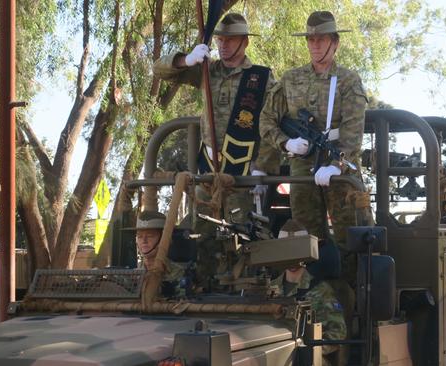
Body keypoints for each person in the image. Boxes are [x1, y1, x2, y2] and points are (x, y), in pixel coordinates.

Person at [154, 13, 278, 283]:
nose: (222, 45)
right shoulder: (206, 70)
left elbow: (273, 125)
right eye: (220, 39)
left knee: (240, 236)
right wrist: (185, 59)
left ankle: (239, 292)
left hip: (241, 172)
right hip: (207, 169)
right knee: (199, 235)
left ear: (244, 42)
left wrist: (262, 168)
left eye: (229, 40)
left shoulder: (262, 78)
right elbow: (159, 70)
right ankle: (200, 288)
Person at [258, 11, 371, 280]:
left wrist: (337, 165)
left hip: (338, 166)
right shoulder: (291, 79)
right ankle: (311, 298)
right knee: (306, 238)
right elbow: (266, 120)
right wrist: (286, 143)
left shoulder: (347, 80)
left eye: (321, 39)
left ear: (335, 42)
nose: (315, 45)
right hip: (303, 166)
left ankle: (351, 301)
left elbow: (354, 130)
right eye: (310, 39)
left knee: (351, 237)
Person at [270, 219, 347, 366]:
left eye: (296, 250)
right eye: (286, 250)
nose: (291, 256)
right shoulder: (268, 289)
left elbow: (337, 333)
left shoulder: (321, 290)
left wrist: (307, 352)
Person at [133, 210, 189, 297]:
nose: (144, 241)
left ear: (164, 239)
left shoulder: (178, 272)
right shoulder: (132, 275)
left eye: (150, 236)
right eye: (140, 236)